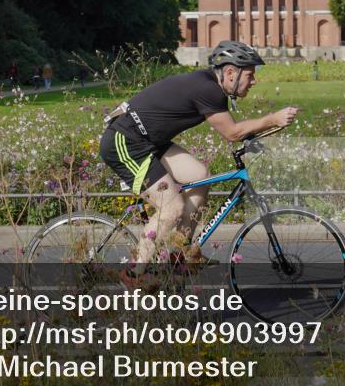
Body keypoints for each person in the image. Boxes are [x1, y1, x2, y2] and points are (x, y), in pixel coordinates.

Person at [99, 40, 298, 279]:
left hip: (151, 142)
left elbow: (236, 132)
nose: (253, 81)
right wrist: (273, 119)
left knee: (200, 177)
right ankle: (133, 274)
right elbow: (232, 133)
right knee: (172, 208)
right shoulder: (208, 90)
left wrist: (258, 133)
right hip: (126, 141)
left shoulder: (210, 86)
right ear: (231, 73)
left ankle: (179, 254)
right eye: (251, 74)